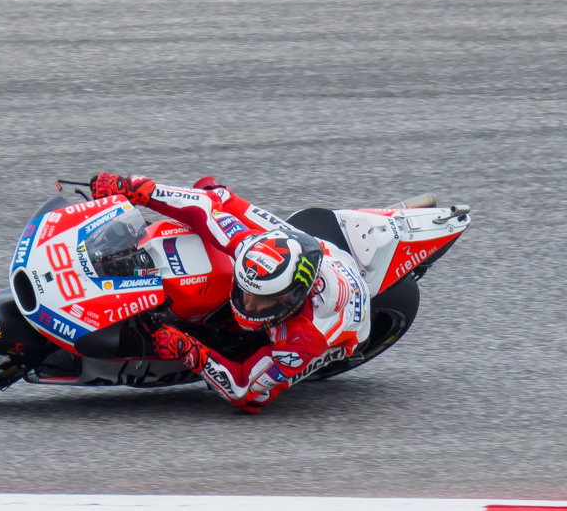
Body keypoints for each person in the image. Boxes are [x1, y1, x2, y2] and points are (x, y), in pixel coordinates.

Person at [90, 173, 370, 413]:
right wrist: (136, 188)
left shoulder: (303, 339)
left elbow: (243, 391)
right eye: (246, 291)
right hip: (315, 250)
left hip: (343, 326)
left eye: (261, 300)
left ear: (289, 301)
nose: (246, 303)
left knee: (258, 393)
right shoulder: (247, 246)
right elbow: (201, 208)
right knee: (215, 194)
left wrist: (191, 351)